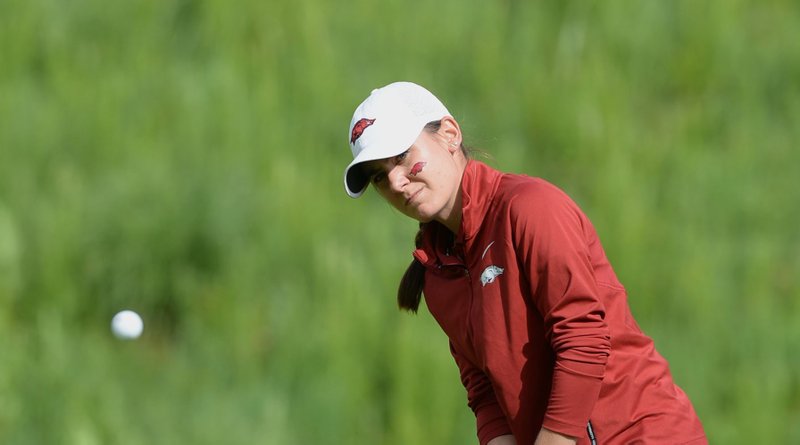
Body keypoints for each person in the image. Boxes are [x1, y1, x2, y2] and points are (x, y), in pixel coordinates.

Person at [342, 81, 707, 445]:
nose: (395, 181)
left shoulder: (530, 208)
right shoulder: (436, 273)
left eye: (402, 156)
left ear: (450, 133)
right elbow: (484, 390)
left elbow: (584, 339)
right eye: (378, 176)